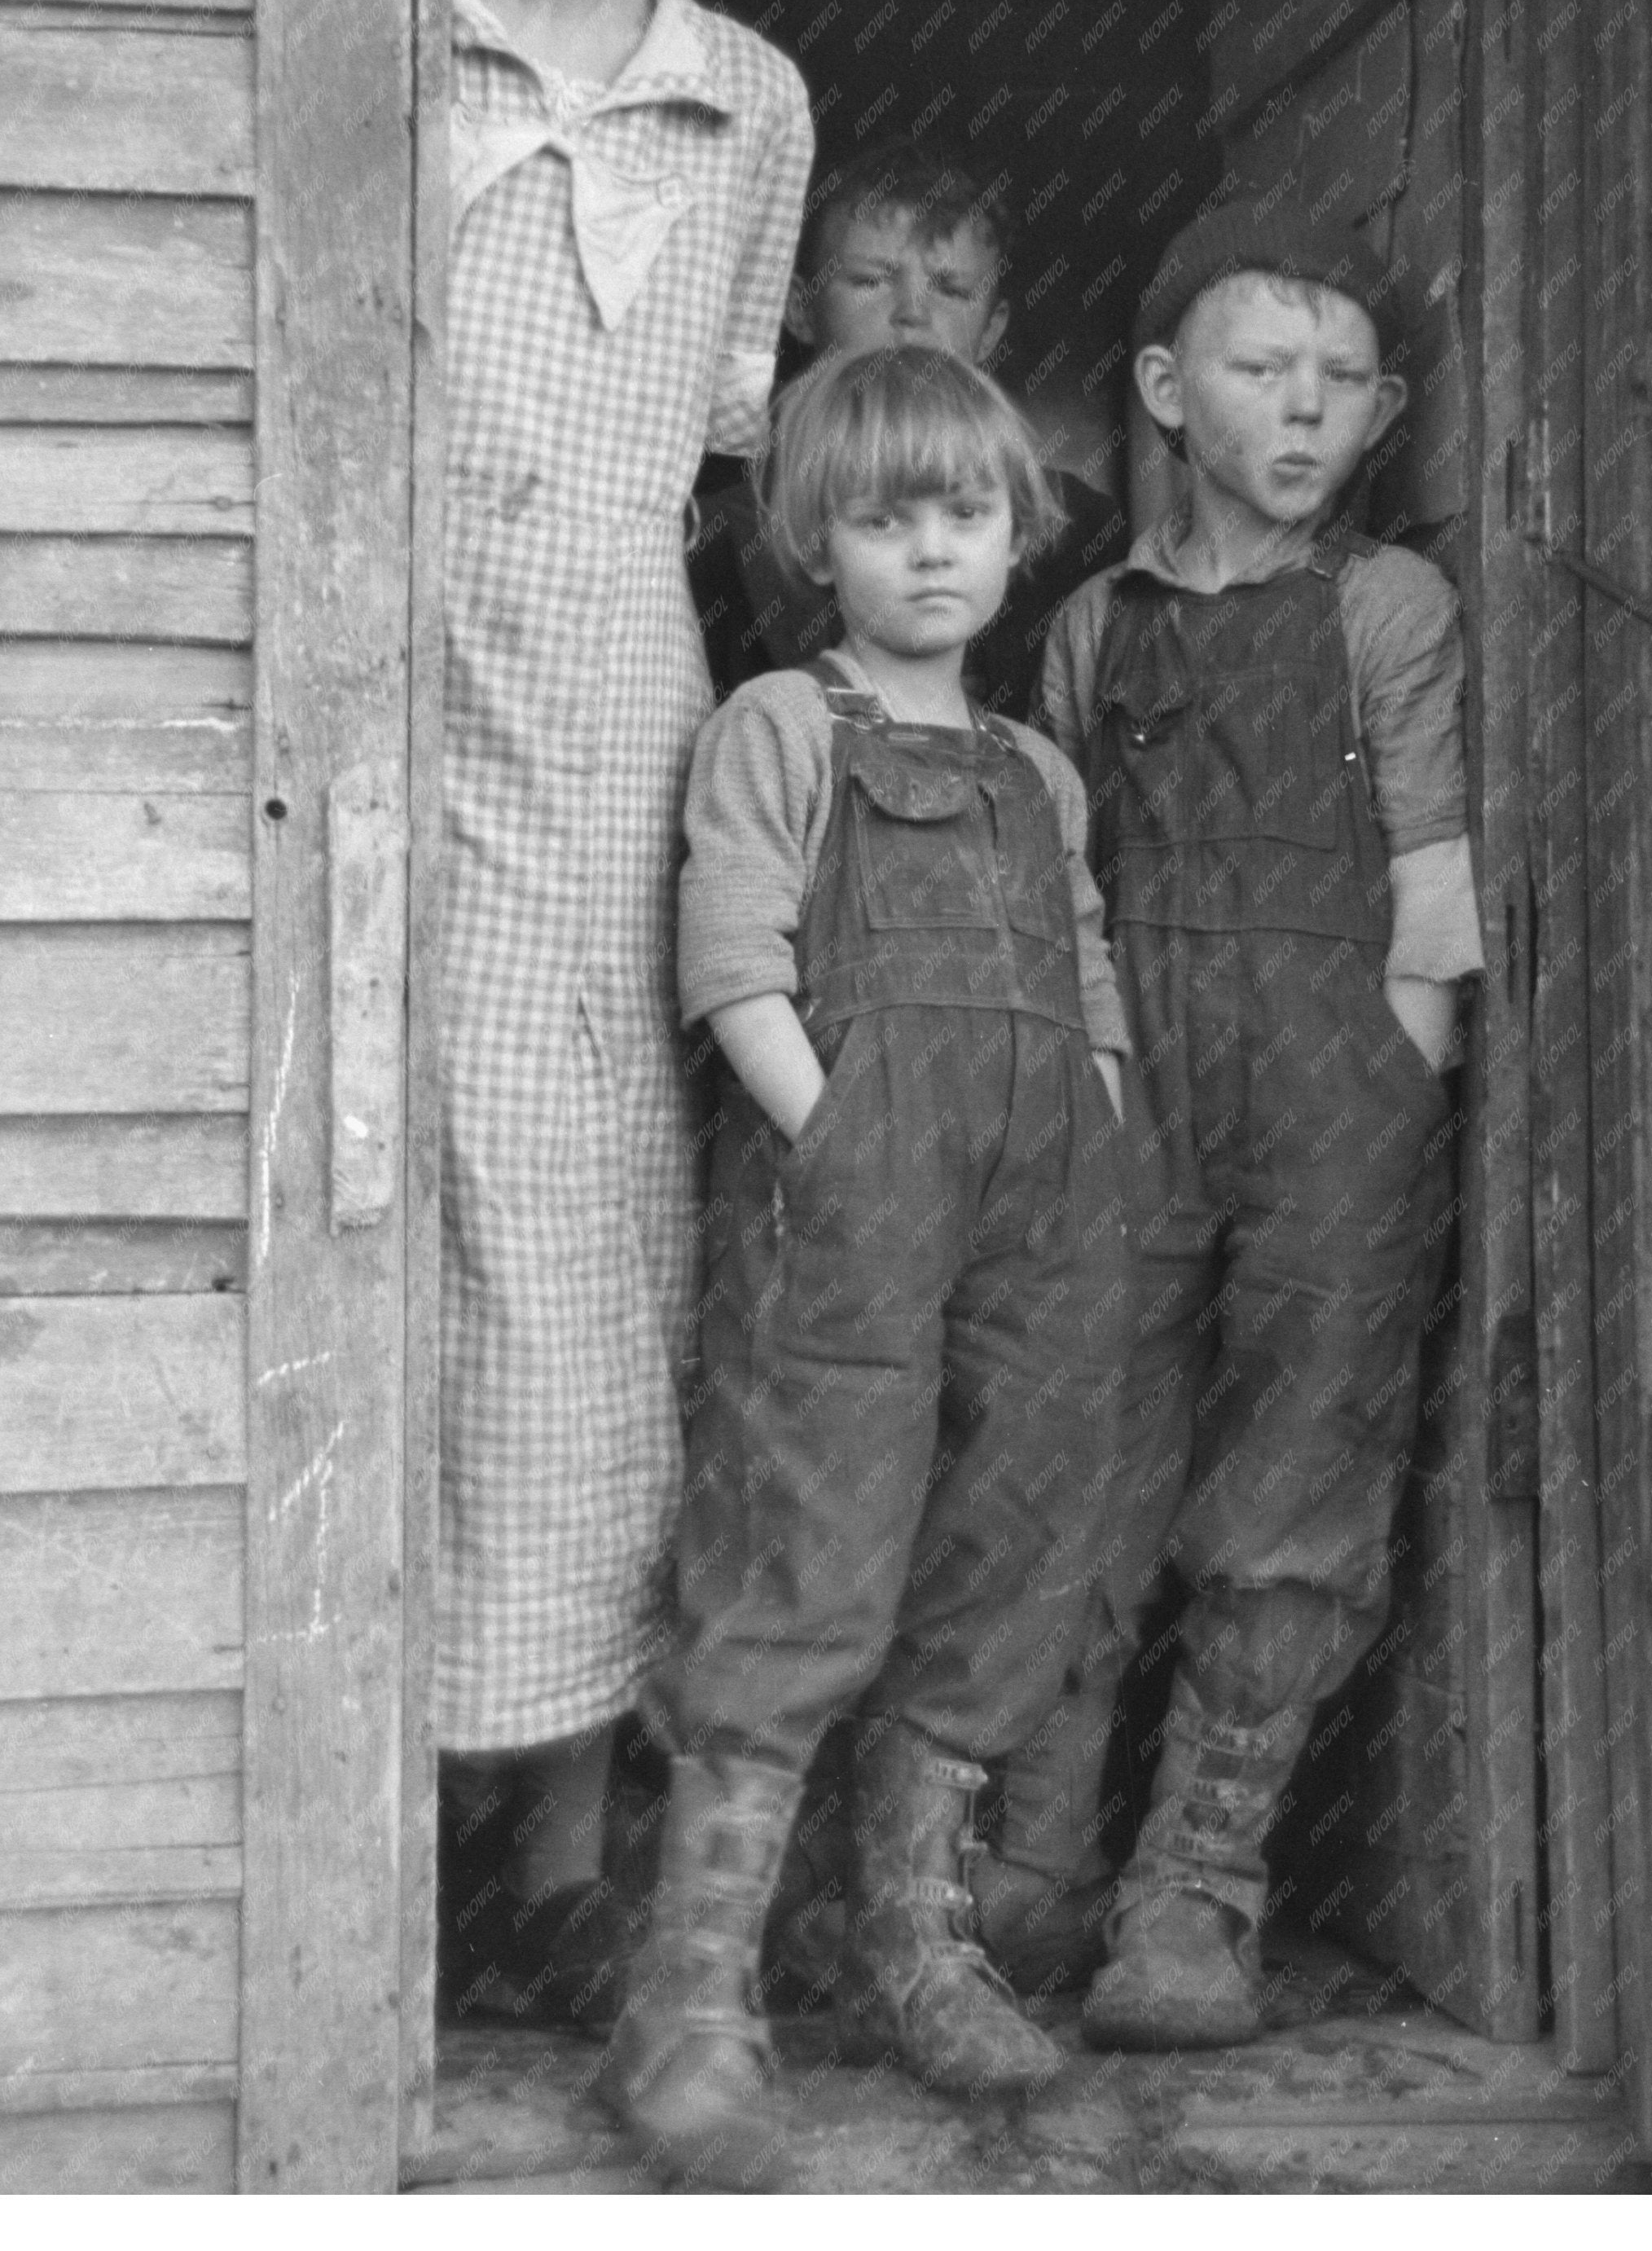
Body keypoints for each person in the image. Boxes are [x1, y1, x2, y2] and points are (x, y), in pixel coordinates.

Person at [609, 347, 1131, 2185]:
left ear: (1018, 534)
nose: (931, 548)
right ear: (815, 539)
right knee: (805, 1545)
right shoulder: (778, 719)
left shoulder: (1035, 766)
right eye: (884, 514)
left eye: (965, 511)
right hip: (847, 1191)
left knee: (1004, 1542)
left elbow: (1081, 960)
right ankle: (692, 1992)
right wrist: (830, 1132)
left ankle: (919, 1943)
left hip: (1044, 1201)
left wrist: (1105, 1109)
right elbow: (734, 953)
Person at [435, 0, 814, 2025]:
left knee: (603, 1258)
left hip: (615, 727)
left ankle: (562, 1857)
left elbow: (720, 459)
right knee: (406, 1251)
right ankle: (376, 1824)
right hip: (388, 709)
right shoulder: (375, 42)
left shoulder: (748, 94)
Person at [1030, 187, 1484, 2051]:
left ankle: (1192, 1892)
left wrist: (1391, 1070)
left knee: (1292, 1481)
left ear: (1382, 413)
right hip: (1126, 1094)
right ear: (1160, 386)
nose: (1297, 410)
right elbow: (1057, 877)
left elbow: (1430, 886)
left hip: (1326, 1106)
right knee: (1082, 1460)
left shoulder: (1387, 603)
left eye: (1339, 377)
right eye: (1253, 367)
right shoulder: (1084, 626)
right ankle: (1024, 1872)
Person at [687, 138, 1127, 716]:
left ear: (993, 328)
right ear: (797, 308)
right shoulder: (710, 539)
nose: (912, 313)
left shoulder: (1074, 531)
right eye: (871, 280)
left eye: (950, 289)